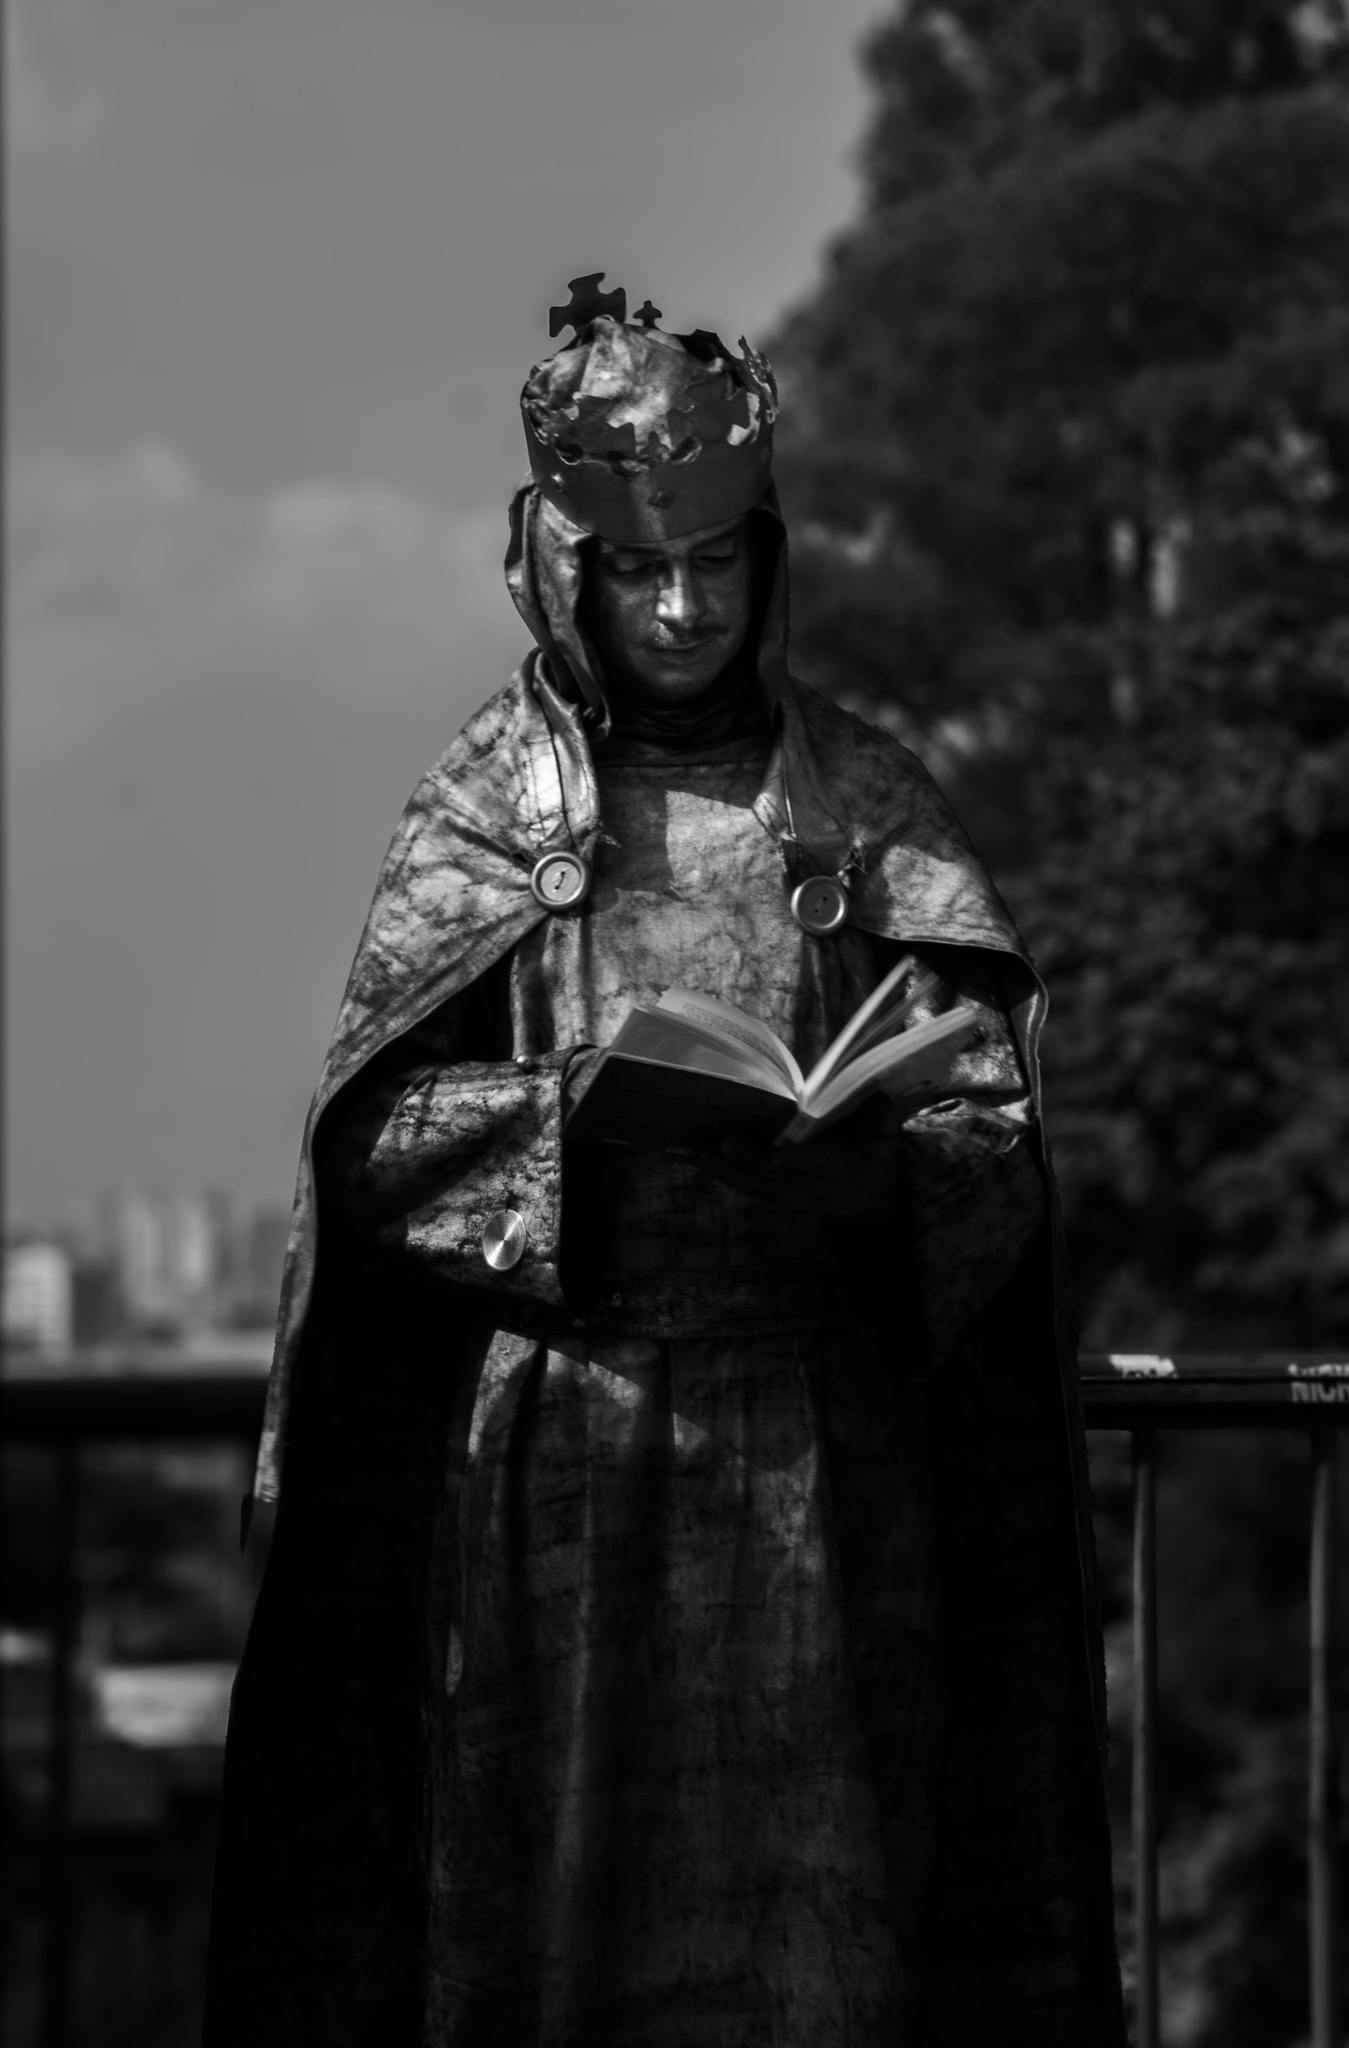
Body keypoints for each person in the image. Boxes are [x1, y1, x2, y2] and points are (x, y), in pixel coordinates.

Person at [205, 275, 1126, 2047]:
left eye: (715, 565)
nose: (685, 607)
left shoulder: (864, 797)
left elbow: (988, 1126)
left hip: (822, 1465)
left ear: (767, 558)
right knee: (546, 1919)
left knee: (829, 1922)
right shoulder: (484, 808)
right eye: (641, 571)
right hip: (554, 1462)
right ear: (568, 570)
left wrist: (879, 1161)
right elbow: (378, 1145)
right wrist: (575, 1126)